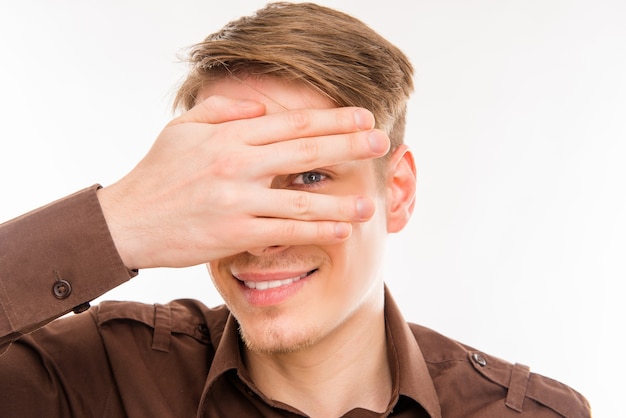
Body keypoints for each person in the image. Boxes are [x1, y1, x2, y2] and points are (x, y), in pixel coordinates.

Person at [0, 2, 591, 417]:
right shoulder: (94, 374)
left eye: (309, 177)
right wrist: (118, 223)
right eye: (234, 182)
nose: (262, 239)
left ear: (398, 190)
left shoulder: (532, 415)